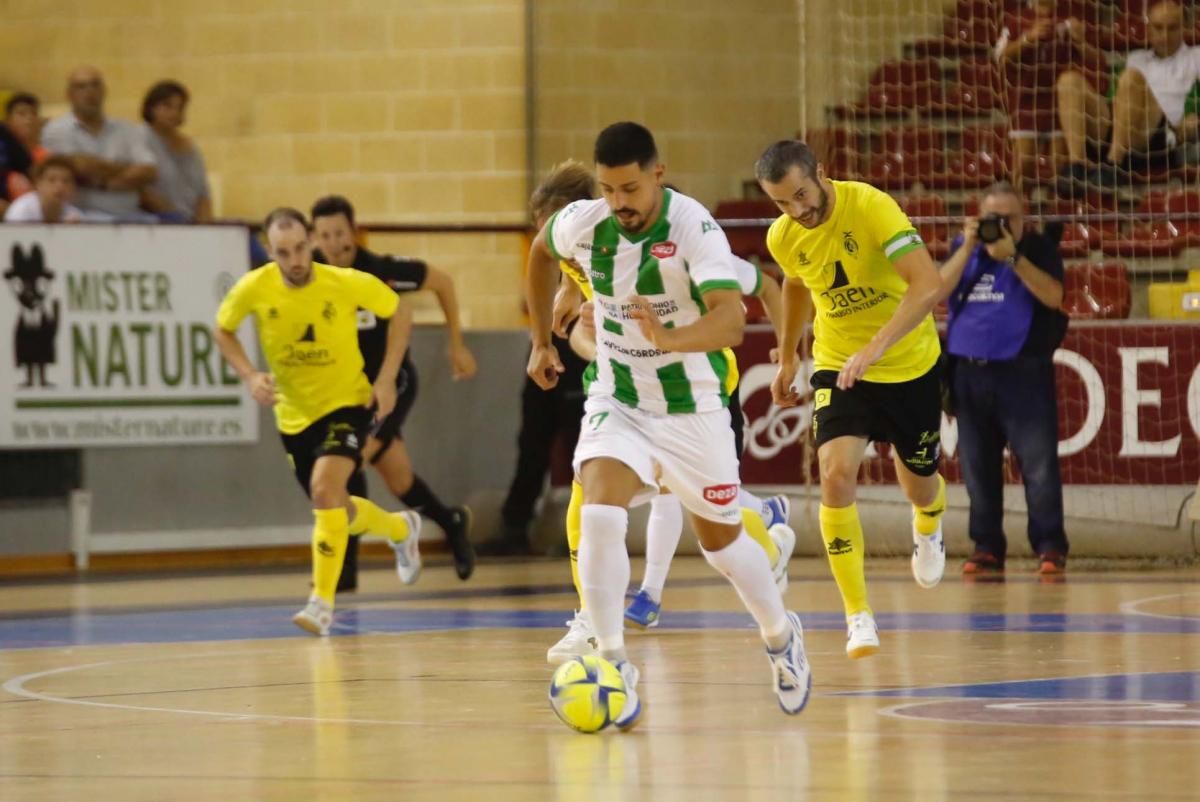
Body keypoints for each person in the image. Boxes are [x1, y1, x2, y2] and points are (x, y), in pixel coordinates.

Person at [527, 122, 813, 726]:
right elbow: (539, 250)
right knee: (600, 510)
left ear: (657, 174)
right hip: (619, 397)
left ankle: (781, 637)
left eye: (629, 188)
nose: (619, 203)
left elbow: (733, 322)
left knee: (723, 547)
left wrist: (669, 338)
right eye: (608, 190)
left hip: (692, 408)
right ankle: (612, 663)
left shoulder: (695, 229)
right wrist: (538, 343)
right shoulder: (586, 221)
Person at [758, 139, 947, 661]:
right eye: (782, 203)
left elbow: (928, 284)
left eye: (802, 194)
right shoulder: (784, 236)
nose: (798, 211)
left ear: (822, 173)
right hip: (839, 365)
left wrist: (876, 347)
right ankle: (857, 615)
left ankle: (929, 524)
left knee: (919, 483)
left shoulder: (871, 207)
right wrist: (790, 355)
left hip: (908, 363)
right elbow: (796, 284)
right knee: (835, 473)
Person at [214, 208, 421, 636]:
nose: (294, 260)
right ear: (269, 252)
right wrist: (250, 375)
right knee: (335, 507)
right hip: (293, 417)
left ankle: (320, 604)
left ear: (312, 242)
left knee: (325, 490)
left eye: (300, 248)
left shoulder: (342, 283)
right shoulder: (254, 288)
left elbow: (400, 311)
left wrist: (385, 380)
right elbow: (223, 329)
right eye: (282, 252)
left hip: (348, 404)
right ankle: (400, 527)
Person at [310, 194, 477, 584]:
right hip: (348, 394)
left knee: (345, 461)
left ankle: (343, 570)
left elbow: (443, 283)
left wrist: (456, 343)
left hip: (392, 384)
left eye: (340, 233)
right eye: (325, 236)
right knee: (398, 478)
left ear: (354, 231)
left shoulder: (381, 270)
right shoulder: (314, 278)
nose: (334, 243)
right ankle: (451, 521)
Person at [938, 181, 1069, 576]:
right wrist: (965, 246)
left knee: (1038, 464)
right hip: (969, 372)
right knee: (977, 467)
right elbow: (936, 291)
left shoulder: (1039, 248)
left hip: (1022, 372)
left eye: (1009, 218)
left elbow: (1054, 296)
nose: (1001, 225)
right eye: (992, 218)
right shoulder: (965, 248)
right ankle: (986, 545)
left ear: (1023, 219)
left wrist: (1013, 258)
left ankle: (1049, 546)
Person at [993, 0, 1106, 192]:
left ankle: (1058, 217)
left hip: (1060, 104)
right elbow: (1000, 59)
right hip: (1027, 102)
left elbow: (1099, 61)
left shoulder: (1072, 16)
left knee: (1060, 169)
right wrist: (1028, 38)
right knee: (1023, 168)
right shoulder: (1015, 20)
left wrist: (1079, 40)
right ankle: (1020, 216)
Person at [40, 67, 158, 221]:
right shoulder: (56, 130)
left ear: (104, 91)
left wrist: (105, 184)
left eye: (95, 85)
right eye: (81, 87)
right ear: (69, 95)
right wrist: (127, 167)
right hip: (81, 216)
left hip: (131, 215)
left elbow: (149, 172)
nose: (90, 92)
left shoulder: (128, 130)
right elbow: (80, 167)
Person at [140, 80, 213, 223]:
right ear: (151, 107)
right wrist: (177, 217)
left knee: (243, 235)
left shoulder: (190, 147)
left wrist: (204, 223)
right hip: (159, 219)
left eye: (180, 108)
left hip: (191, 220)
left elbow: (203, 194)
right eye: (167, 106)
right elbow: (141, 192)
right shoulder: (139, 138)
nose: (174, 113)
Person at [0, 92, 48, 215]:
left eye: (34, 113)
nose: (29, 118)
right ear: (8, 121)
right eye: (22, 114)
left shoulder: (46, 156)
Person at [4, 156, 83, 223]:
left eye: (66, 181)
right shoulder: (21, 210)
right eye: (51, 180)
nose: (60, 186)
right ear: (37, 183)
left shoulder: (74, 215)